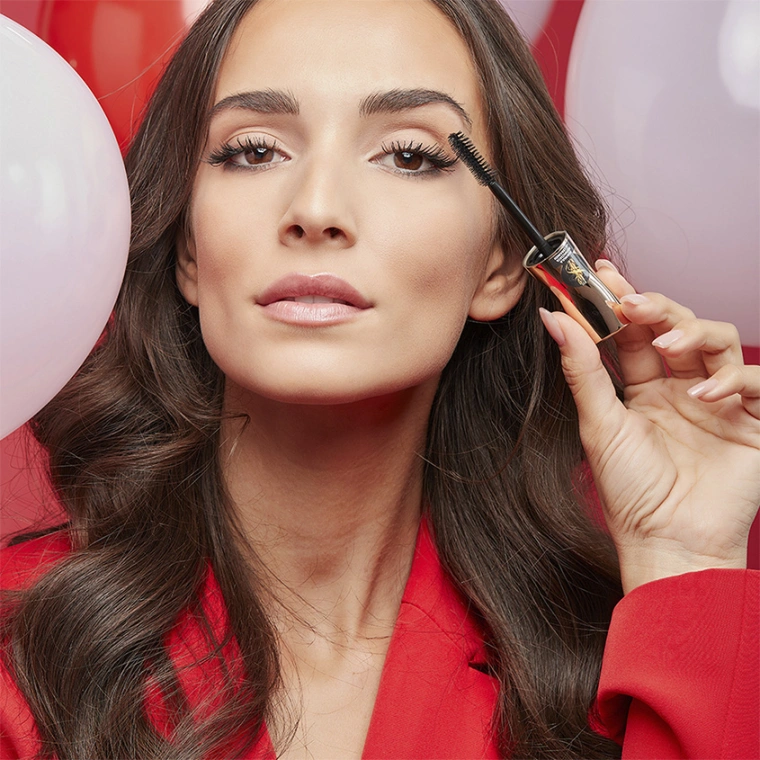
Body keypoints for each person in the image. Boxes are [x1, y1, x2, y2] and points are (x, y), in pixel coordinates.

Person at [1, 0, 758, 758]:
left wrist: (685, 557)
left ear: (500, 266)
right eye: (255, 150)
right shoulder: (18, 658)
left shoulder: (616, 676)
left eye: (408, 156)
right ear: (190, 251)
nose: (316, 210)